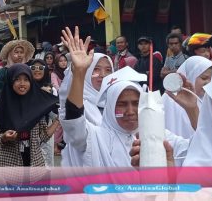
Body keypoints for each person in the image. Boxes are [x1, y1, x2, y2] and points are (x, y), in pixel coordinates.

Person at [60, 27, 190, 167]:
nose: (130, 111)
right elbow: (74, 123)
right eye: (121, 104)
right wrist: (79, 72)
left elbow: (197, 147)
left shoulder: (152, 132)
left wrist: (193, 109)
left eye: (136, 103)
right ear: (110, 107)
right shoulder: (96, 138)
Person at [0, 64, 60, 167]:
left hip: (35, 165)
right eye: (17, 79)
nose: (22, 84)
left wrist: (58, 120)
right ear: (10, 81)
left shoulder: (35, 105)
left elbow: (43, 136)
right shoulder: (3, 107)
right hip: (9, 166)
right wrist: (3, 137)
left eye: (26, 80)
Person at [162, 56, 212, 139]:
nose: (208, 82)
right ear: (190, 76)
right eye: (204, 78)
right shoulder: (170, 99)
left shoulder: (211, 101)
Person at [29, 59, 59, 167]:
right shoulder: (25, 87)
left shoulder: (51, 89)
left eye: (41, 68)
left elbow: (55, 114)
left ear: (45, 70)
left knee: (47, 165)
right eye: (33, 68)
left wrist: (47, 98)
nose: (37, 70)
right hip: (28, 133)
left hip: (47, 131)